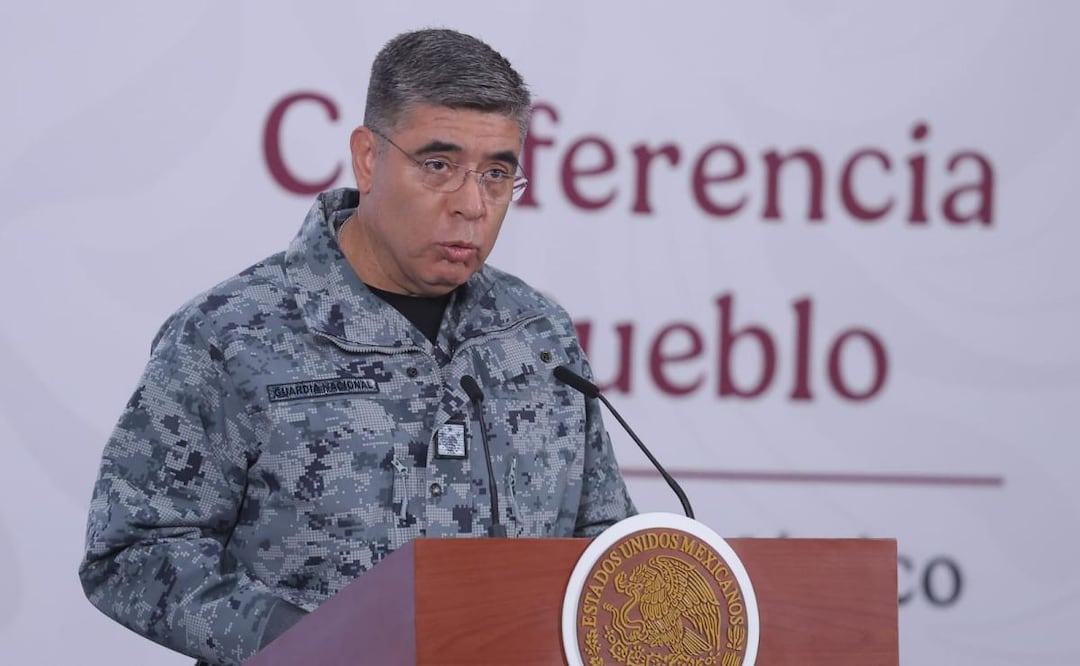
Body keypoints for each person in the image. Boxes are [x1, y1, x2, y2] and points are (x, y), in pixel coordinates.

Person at [77, 27, 636, 666]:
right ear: (369, 157)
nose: (471, 204)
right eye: (438, 165)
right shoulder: (231, 333)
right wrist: (311, 644)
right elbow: (132, 550)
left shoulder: (536, 335)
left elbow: (600, 542)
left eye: (497, 174)